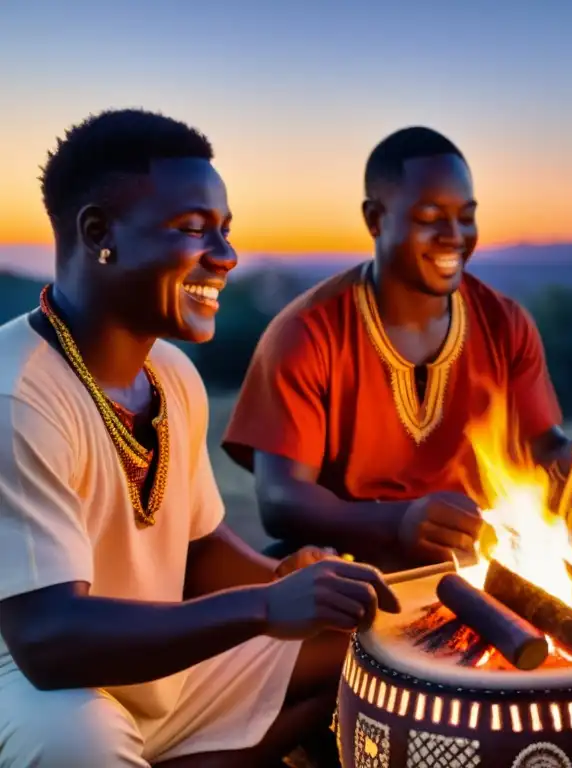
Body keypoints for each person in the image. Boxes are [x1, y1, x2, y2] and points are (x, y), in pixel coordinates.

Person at [0, 109, 400, 768]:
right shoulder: (18, 393)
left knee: (367, 650)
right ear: (99, 233)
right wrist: (268, 606)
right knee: (83, 744)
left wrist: (295, 585)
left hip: (159, 666)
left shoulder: (171, 374)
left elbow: (198, 545)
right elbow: (47, 641)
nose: (226, 256)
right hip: (35, 686)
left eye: (225, 230)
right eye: (193, 230)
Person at [221, 126, 572, 578]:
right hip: (368, 553)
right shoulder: (306, 333)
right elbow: (281, 500)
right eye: (430, 217)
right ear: (375, 219)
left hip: (496, 548)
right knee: (294, 582)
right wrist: (398, 522)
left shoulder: (505, 322)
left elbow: (540, 457)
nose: (455, 236)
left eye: (466, 216)